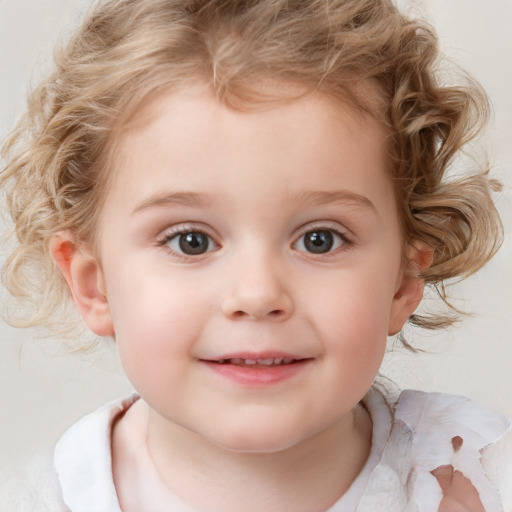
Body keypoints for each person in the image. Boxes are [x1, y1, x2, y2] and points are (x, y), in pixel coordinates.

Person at [1, 0, 510, 510]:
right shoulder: (47, 501)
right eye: (191, 241)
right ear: (94, 284)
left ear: (401, 282)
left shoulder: (475, 478)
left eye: (320, 239)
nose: (258, 294)